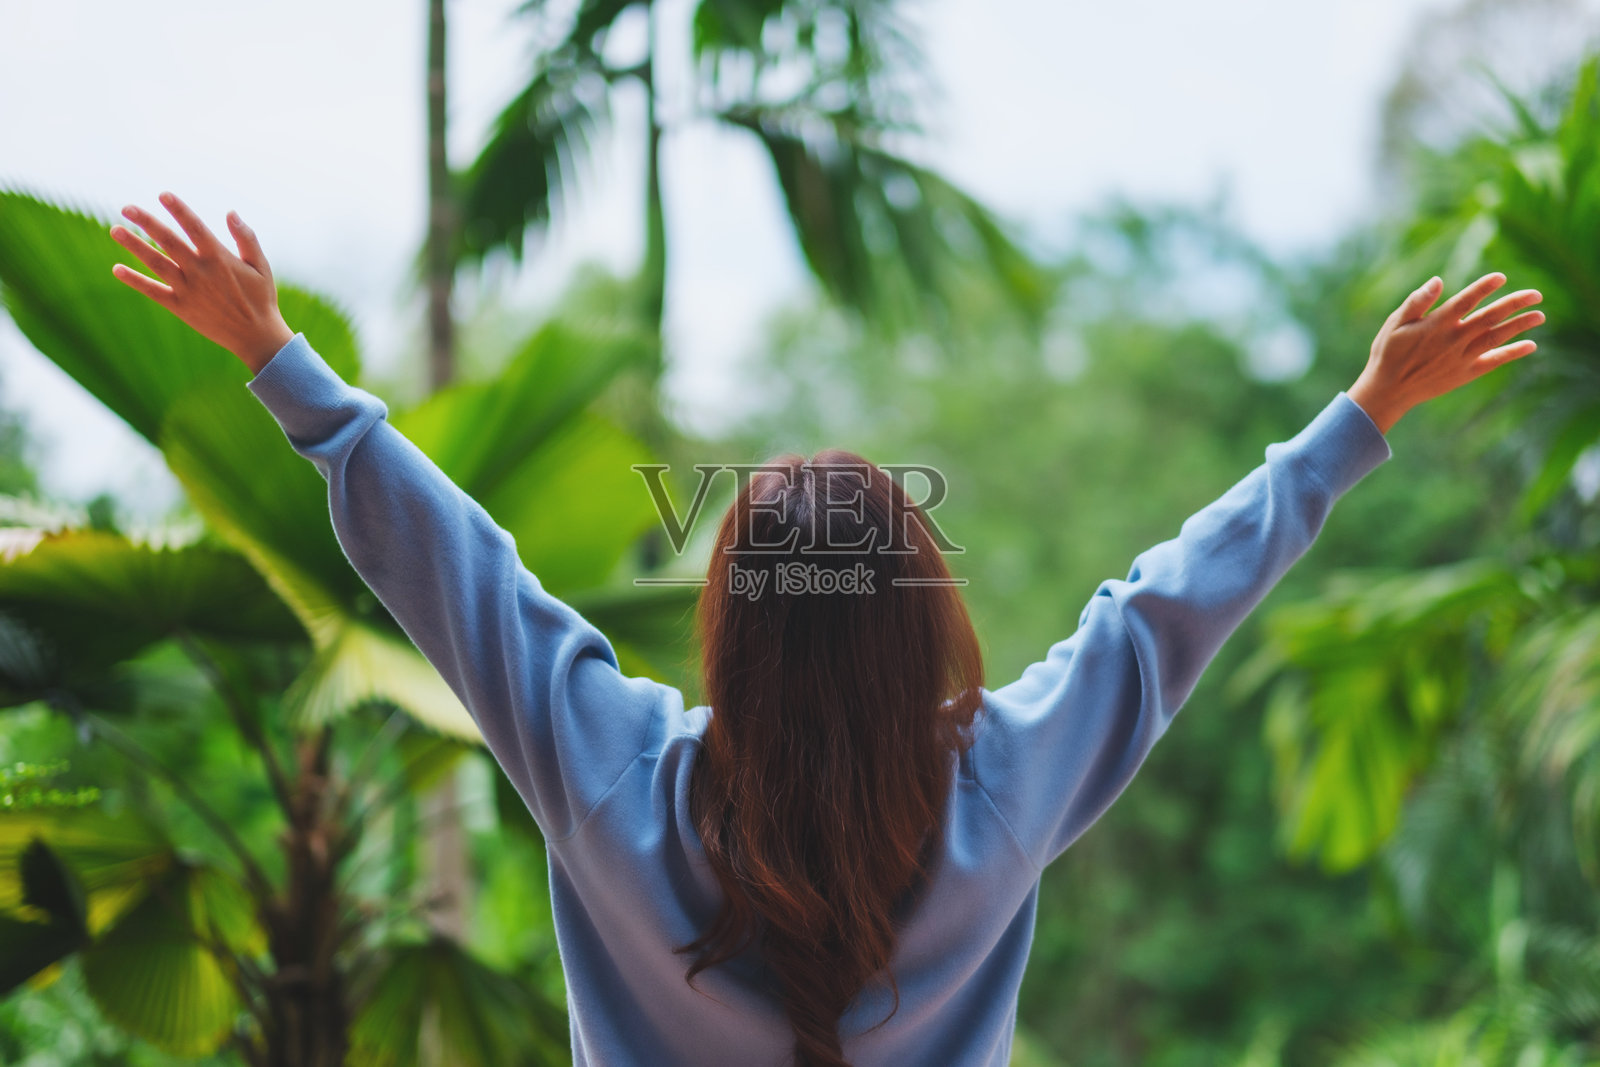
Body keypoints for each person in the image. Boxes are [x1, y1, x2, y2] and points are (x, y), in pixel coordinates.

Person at [109, 192, 1545, 1067]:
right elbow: (1165, 610)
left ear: (730, 627)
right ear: (922, 631)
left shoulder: (618, 779)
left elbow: (461, 575)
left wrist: (284, 366)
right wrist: (1358, 420)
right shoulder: (1000, 786)